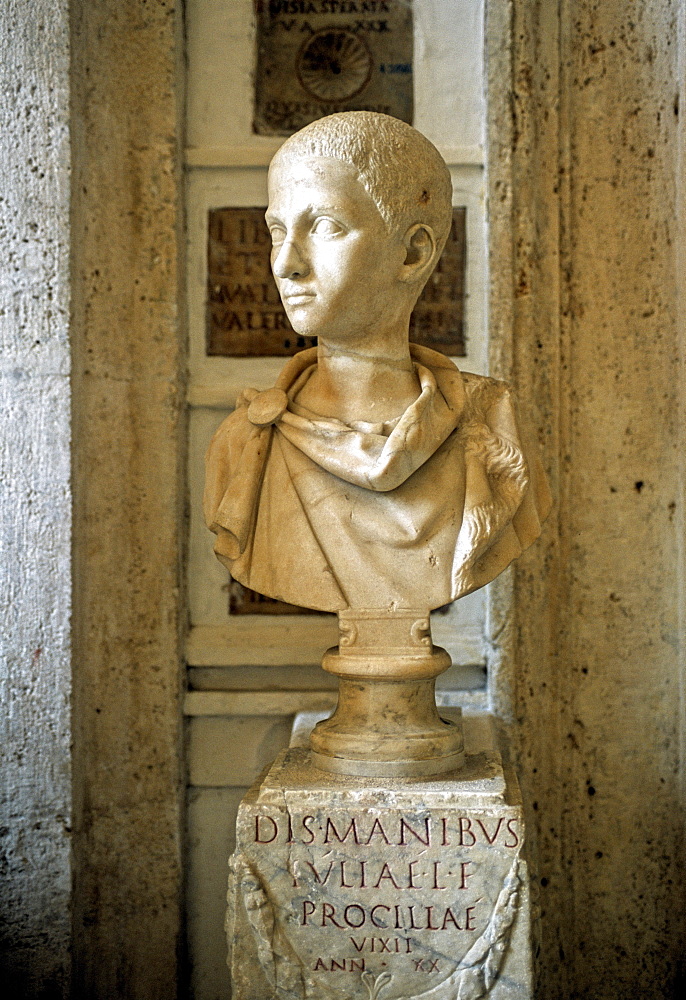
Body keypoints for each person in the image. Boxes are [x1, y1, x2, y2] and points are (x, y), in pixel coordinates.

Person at [204, 111, 550, 612]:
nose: (285, 263)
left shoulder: (494, 441)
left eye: (324, 226)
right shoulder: (243, 447)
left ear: (411, 253)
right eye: (277, 230)